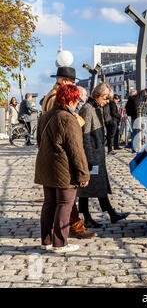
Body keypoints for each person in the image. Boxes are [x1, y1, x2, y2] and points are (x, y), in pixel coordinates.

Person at [34, 84, 90, 253]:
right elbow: (76, 150)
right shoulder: (68, 118)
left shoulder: (46, 116)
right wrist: (83, 173)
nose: (78, 103)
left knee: (49, 204)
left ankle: (47, 240)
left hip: (45, 166)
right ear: (72, 99)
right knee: (65, 204)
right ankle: (60, 243)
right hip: (63, 169)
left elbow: (38, 141)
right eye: (77, 100)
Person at [43, 66, 95, 240]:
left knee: (55, 202)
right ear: (65, 81)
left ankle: (50, 238)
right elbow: (67, 134)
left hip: (49, 157)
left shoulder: (49, 96)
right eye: (72, 82)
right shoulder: (57, 102)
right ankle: (66, 233)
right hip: (60, 159)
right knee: (65, 202)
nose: (73, 85)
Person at [78, 83, 129, 228]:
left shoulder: (95, 107)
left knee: (97, 184)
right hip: (92, 154)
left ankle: (110, 212)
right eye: (105, 98)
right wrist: (89, 158)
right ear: (97, 95)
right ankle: (87, 216)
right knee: (86, 187)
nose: (107, 102)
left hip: (97, 153)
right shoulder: (88, 109)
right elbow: (85, 136)